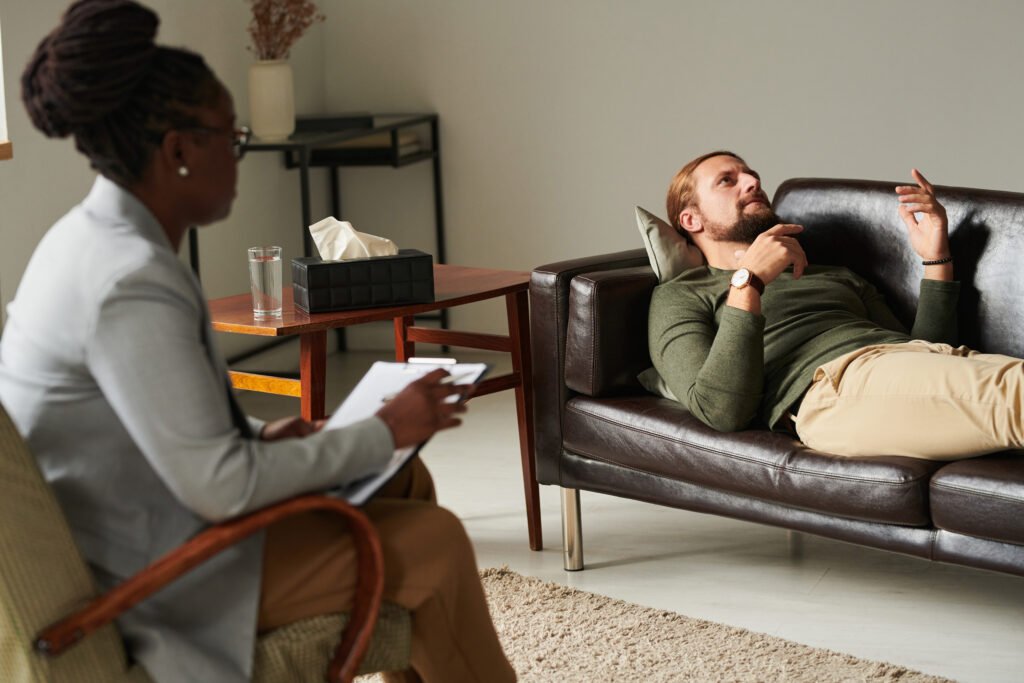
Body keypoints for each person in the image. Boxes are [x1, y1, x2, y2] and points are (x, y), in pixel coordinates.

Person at [0, 1, 515, 682]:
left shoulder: (91, 241)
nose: (241, 156)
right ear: (179, 150)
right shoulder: (128, 281)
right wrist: (385, 426)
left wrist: (265, 434)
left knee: (405, 477)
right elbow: (219, 487)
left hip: (146, 524)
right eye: (231, 137)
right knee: (435, 543)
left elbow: (146, 423)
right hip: (157, 575)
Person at [650, 150, 1023, 460]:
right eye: (727, 181)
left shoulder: (832, 275)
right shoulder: (681, 294)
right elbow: (720, 410)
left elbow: (921, 350)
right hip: (832, 390)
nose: (752, 183)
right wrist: (750, 281)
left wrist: (936, 257)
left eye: (751, 175)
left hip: (905, 367)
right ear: (690, 219)